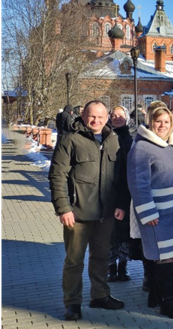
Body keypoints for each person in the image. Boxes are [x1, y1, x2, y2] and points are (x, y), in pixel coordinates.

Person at [49, 100, 127, 321]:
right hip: (78, 213)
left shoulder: (114, 140)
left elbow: (121, 178)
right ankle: (72, 303)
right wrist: (63, 208)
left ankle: (100, 295)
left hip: (106, 213)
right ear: (83, 116)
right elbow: (57, 176)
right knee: (74, 260)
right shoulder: (70, 139)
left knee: (101, 257)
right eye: (92, 116)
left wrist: (121, 204)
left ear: (107, 117)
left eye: (101, 117)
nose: (96, 121)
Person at [128, 105, 173, 320]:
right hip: (157, 214)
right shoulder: (142, 148)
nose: (162, 125)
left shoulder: (172, 145)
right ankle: (168, 301)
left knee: (167, 257)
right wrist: (148, 212)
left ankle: (156, 294)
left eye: (166, 121)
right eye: (158, 121)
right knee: (165, 257)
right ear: (150, 122)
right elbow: (138, 184)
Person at [107, 106, 134, 283]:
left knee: (124, 232)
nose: (117, 118)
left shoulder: (132, 137)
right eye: (114, 115)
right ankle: (111, 267)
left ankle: (123, 266)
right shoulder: (105, 136)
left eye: (120, 115)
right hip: (108, 191)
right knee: (110, 233)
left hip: (127, 190)